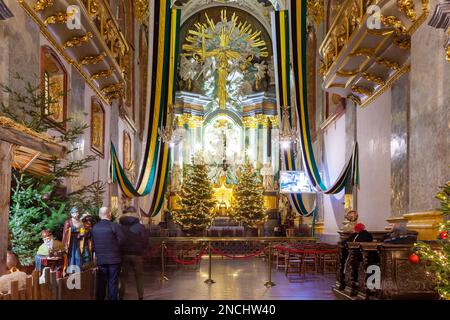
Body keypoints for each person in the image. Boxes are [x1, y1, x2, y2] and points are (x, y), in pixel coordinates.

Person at [92, 207, 125, 300]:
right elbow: (122, 241)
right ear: (109, 214)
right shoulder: (115, 226)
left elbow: (93, 245)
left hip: (101, 260)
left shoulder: (95, 228)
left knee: (101, 283)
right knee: (113, 283)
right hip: (114, 260)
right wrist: (115, 249)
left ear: (99, 215)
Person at [119, 207, 148, 300]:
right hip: (137, 255)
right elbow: (145, 241)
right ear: (135, 213)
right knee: (139, 277)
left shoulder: (119, 226)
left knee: (123, 277)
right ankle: (140, 297)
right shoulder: (140, 226)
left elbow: (117, 240)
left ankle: (121, 296)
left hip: (123, 254)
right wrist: (141, 249)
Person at [62, 207, 83, 273]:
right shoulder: (68, 222)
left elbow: (82, 230)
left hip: (77, 240)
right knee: (71, 255)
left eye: (77, 212)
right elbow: (66, 231)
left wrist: (81, 233)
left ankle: (78, 269)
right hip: (70, 241)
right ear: (71, 214)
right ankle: (71, 270)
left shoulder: (80, 222)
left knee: (77, 255)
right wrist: (73, 229)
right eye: (75, 212)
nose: (77, 214)